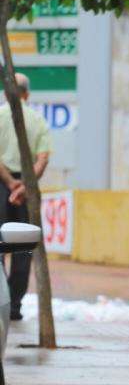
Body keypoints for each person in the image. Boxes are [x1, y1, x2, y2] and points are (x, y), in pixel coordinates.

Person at [0, 73, 51, 320]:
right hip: (26, 188)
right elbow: (43, 158)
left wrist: (10, 183)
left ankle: (2, 302)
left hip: (2, 184)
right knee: (23, 249)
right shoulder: (37, 120)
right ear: (26, 94)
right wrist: (25, 186)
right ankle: (14, 306)